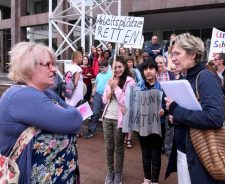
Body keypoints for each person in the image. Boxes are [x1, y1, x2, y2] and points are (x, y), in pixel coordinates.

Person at [0, 42, 83, 183]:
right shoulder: (22, 96)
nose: (54, 69)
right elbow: (75, 120)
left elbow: (72, 114)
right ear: (29, 67)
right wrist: (67, 111)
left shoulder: (44, 92)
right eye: (48, 64)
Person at [165, 33, 225, 184]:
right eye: (172, 54)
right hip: (186, 152)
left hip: (201, 156)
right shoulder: (187, 77)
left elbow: (215, 118)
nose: (172, 58)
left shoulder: (206, 77)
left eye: (177, 53)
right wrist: (174, 118)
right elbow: (188, 113)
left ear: (192, 55)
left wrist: (176, 110)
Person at [102, 56, 135, 184]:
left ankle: (118, 174)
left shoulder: (130, 81)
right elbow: (104, 100)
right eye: (115, 67)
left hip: (120, 120)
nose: (117, 69)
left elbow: (127, 102)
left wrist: (116, 88)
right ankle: (110, 172)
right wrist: (108, 95)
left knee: (119, 148)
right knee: (108, 147)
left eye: (120, 67)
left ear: (125, 67)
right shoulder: (110, 80)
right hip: (107, 118)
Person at [137, 59, 166, 184]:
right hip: (142, 124)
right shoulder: (138, 86)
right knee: (145, 152)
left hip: (158, 124)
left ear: (156, 70)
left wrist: (163, 110)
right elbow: (133, 105)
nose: (148, 72)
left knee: (156, 152)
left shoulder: (163, 87)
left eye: (151, 68)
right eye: (145, 69)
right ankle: (147, 178)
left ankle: (154, 180)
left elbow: (167, 104)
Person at [84, 61, 112, 139]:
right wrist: (92, 96)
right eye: (100, 67)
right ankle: (91, 131)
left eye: (103, 67)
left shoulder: (111, 74)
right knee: (95, 113)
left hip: (107, 96)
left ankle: (109, 133)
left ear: (107, 66)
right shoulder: (98, 75)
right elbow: (95, 85)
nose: (102, 68)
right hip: (98, 96)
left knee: (108, 115)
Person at [155, 55, 176, 156]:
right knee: (158, 128)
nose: (159, 65)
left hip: (168, 105)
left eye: (161, 63)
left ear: (165, 63)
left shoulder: (171, 74)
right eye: (157, 63)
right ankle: (159, 147)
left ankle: (168, 149)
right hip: (156, 106)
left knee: (169, 129)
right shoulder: (152, 73)